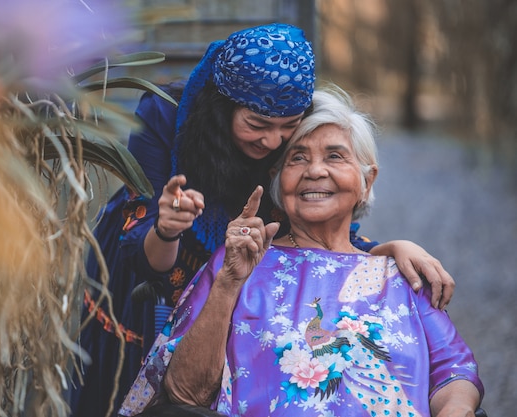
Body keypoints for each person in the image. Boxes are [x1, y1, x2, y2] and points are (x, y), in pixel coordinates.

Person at [70, 23, 455, 417]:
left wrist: (387, 250)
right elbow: (147, 254)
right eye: (257, 125)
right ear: (224, 107)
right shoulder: (163, 115)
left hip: (245, 260)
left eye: (288, 128)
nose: (273, 143)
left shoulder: (285, 138)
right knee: (131, 385)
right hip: (152, 253)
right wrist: (169, 228)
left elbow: (318, 223)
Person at [118, 86, 484, 417]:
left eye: (335, 156)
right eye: (297, 158)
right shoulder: (240, 264)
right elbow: (185, 393)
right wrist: (229, 283)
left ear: (366, 180)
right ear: (278, 181)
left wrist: (455, 408)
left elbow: (454, 370)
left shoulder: (400, 273)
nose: (314, 171)